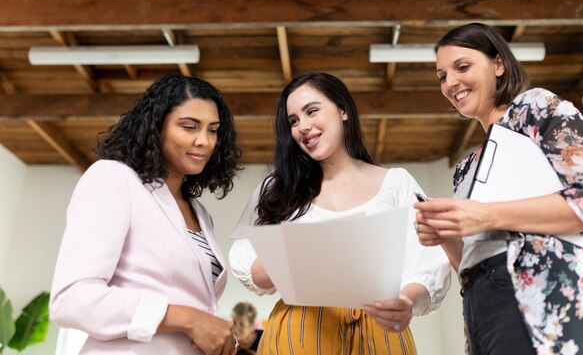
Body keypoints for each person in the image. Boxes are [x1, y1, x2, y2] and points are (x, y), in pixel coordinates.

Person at [414, 22, 583, 355]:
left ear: (498, 64)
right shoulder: (466, 167)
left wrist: (485, 215)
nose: (451, 83)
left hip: (548, 298)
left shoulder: (534, 109)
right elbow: (472, 261)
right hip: (482, 305)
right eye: (442, 76)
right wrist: (447, 237)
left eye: (462, 67)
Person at [229, 72, 451, 355]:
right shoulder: (277, 189)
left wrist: (406, 300)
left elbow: (429, 264)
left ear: (343, 110)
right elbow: (251, 268)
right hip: (300, 331)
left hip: (380, 328)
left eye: (312, 111)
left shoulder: (396, 182)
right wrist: (297, 252)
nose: (303, 127)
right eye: (293, 121)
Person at [50, 73, 242, 355]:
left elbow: (194, 302)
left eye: (213, 130)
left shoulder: (199, 212)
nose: (205, 141)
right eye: (189, 127)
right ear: (156, 128)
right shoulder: (114, 178)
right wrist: (188, 319)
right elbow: (71, 300)